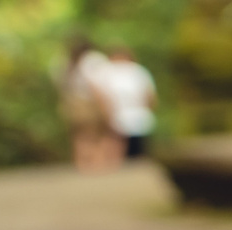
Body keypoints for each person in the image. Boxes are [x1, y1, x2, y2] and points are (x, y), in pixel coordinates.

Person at [59, 37, 120, 173]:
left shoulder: (64, 62)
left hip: (72, 103)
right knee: (99, 134)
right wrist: (105, 104)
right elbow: (96, 85)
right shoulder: (93, 59)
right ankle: (98, 165)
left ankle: (82, 164)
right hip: (90, 103)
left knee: (80, 135)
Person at [91, 46, 159, 161]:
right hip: (139, 116)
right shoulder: (139, 70)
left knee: (121, 150)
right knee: (138, 150)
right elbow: (151, 96)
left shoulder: (107, 71)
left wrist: (106, 113)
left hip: (119, 116)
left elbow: (99, 93)